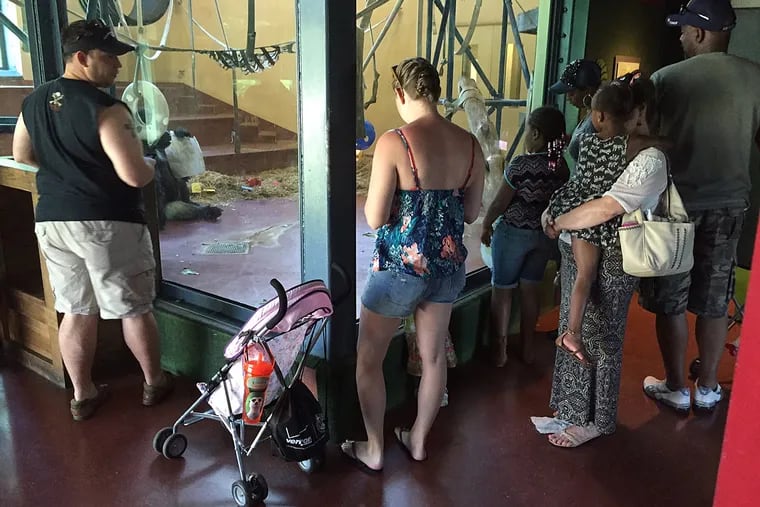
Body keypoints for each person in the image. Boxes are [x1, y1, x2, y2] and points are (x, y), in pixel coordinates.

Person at [11, 19, 173, 421]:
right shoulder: (107, 110)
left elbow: (21, 155)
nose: (117, 65)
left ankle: (83, 395)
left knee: (75, 309)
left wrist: (66, 171)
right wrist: (152, 164)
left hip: (53, 221)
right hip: (107, 222)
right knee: (133, 307)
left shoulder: (33, 102)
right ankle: (154, 382)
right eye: (109, 57)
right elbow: (134, 175)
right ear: (82, 57)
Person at [341, 57, 484, 472]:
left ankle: (374, 449)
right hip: (447, 270)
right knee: (433, 356)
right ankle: (418, 440)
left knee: (369, 359)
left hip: (399, 270)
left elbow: (373, 217)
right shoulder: (470, 145)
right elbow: (470, 213)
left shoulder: (394, 142)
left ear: (400, 93)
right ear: (435, 93)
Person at [531, 74, 669, 447]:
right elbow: (581, 186)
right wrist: (555, 214)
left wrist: (559, 218)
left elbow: (607, 205)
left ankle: (596, 419)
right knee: (576, 323)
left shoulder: (647, 157)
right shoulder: (620, 147)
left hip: (614, 251)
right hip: (584, 242)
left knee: (603, 336)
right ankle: (573, 409)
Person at [638, 0, 760, 413]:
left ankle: (675, 386)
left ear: (701, 33)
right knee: (715, 300)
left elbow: (645, 139)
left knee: (670, 301)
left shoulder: (666, 79)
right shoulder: (755, 78)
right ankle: (707, 388)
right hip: (730, 204)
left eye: (684, 29)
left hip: (676, 206)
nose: (680, 36)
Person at [480, 106, 569, 366]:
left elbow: (500, 203)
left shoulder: (521, 165)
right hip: (542, 236)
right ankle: (528, 348)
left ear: (537, 134)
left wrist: (486, 225)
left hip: (513, 234)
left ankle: (500, 352)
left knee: (503, 289)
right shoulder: (561, 167)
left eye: (528, 131)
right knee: (530, 290)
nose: (526, 135)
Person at [549, 59, 603, 162]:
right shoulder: (591, 113)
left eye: (571, 93)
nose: (568, 98)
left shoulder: (600, 118)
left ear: (588, 90)